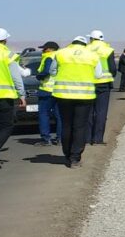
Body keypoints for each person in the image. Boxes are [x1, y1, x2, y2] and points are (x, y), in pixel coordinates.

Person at [50, 36, 103, 168]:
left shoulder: (60, 53)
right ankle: (75, 158)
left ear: (72, 43)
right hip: (84, 96)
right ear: (85, 45)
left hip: (63, 95)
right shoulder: (92, 55)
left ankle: (67, 154)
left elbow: (52, 71)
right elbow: (98, 75)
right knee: (80, 127)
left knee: (66, 125)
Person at [0, 28, 27, 169]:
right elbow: (16, 77)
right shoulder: (7, 54)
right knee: (7, 125)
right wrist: (21, 95)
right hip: (3, 96)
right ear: (5, 40)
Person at [85, 30, 116, 146]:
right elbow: (113, 68)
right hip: (104, 84)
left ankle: (87, 138)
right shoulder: (108, 50)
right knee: (101, 112)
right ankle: (97, 139)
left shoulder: (86, 49)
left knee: (88, 112)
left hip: (89, 84)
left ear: (92, 39)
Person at [35, 41, 63, 146]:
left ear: (50, 49)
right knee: (59, 115)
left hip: (47, 90)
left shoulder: (48, 57)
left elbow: (47, 71)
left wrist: (39, 76)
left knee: (44, 114)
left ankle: (46, 139)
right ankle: (60, 138)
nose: (43, 50)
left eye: (45, 48)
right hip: (59, 90)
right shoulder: (61, 57)